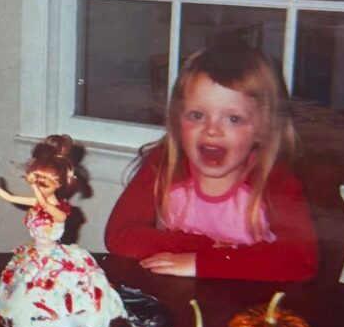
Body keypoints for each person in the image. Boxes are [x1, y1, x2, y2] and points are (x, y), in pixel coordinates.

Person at [104, 43, 318, 281]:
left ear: (263, 129)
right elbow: (120, 235)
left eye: (233, 119)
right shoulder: (164, 164)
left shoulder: (274, 179)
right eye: (197, 115)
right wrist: (201, 246)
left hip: (250, 305)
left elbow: (302, 260)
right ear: (177, 119)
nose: (212, 130)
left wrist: (204, 262)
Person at [0, 134, 119, 298]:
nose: (39, 189)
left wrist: (35, 189)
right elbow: (10, 197)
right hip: (34, 257)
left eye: (44, 186)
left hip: (53, 261)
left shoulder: (58, 210)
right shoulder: (39, 202)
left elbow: (50, 209)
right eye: (37, 184)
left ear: (59, 185)